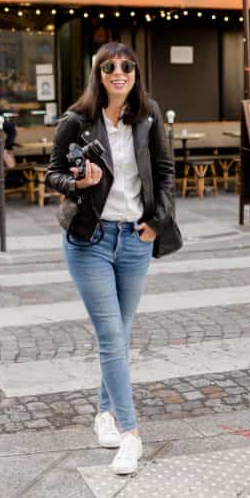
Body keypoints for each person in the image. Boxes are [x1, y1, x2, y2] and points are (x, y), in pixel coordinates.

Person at [45, 42, 176, 476]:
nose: (118, 73)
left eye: (126, 66)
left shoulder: (150, 114)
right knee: (111, 336)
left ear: (135, 72)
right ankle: (131, 432)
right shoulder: (76, 120)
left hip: (135, 239)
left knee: (120, 332)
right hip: (90, 240)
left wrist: (158, 221)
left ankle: (103, 412)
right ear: (98, 75)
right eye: (109, 67)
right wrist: (79, 183)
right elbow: (53, 174)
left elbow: (165, 171)